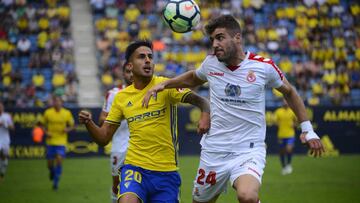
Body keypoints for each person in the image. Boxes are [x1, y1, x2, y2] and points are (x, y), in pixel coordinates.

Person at [143, 15, 324, 203]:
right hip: (214, 151)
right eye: (212, 40)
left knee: (247, 196)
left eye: (220, 37)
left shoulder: (263, 66)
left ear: (237, 37)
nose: (214, 44)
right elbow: (193, 78)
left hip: (248, 149)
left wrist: (307, 130)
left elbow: (290, 92)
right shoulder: (211, 63)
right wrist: (164, 85)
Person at [78, 40, 210, 203]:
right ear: (130, 66)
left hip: (166, 173)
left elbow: (202, 101)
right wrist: (89, 123)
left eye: (150, 57)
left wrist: (205, 112)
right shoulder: (121, 97)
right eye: (141, 57)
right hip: (135, 168)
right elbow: (103, 138)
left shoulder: (165, 86)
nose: (147, 60)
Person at [98, 62, 133, 203]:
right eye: (127, 71)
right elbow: (102, 119)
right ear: (123, 74)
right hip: (119, 146)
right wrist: (121, 114)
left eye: (132, 71)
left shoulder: (147, 92)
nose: (131, 74)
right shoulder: (113, 94)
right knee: (117, 184)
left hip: (141, 146)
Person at [42, 95, 75, 190]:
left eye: (59, 101)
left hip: (61, 141)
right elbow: (42, 125)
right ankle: (52, 171)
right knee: (49, 163)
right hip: (50, 141)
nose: (57, 103)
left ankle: (56, 183)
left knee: (59, 159)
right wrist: (46, 132)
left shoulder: (66, 113)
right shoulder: (48, 113)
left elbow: (72, 125)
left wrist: (67, 129)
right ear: (53, 102)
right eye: (55, 101)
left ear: (62, 103)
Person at [274, 99, 297, 175]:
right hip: (281, 135)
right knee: (282, 151)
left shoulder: (292, 111)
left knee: (289, 149)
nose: (285, 102)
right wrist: (277, 123)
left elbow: (296, 121)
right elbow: (275, 121)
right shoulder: (278, 111)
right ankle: (284, 167)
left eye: (286, 101)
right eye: (284, 101)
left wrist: (294, 124)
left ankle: (289, 165)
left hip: (290, 134)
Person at [0, 102, 14, 181]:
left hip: (5, 139)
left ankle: (2, 171)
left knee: (4, 157)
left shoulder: (7, 116)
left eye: (1, 107)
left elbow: (12, 127)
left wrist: (5, 124)